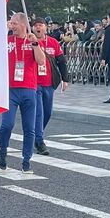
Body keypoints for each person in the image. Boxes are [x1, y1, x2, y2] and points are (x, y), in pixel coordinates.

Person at [0, 12, 46, 174]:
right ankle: (3, 150)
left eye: (14, 23)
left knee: (29, 128)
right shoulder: (6, 41)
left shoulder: (33, 41)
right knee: (7, 124)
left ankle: (26, 160)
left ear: (23, 24)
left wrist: (35, 44)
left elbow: (41, 61)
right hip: (10, 90)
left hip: (29, 89)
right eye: (11, 23)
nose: (11, 26)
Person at [32, 18, 68, 156]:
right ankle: (40, 141)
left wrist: (65, 79)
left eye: (40, 26)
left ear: (46, 28)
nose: (38, 28)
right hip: (34, 84)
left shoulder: (52, 42)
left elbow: (61, 61)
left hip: (49, 83)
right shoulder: (29, 41)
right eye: (35, 26)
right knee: (39, 113)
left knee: (47, 113)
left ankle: (36, 134)